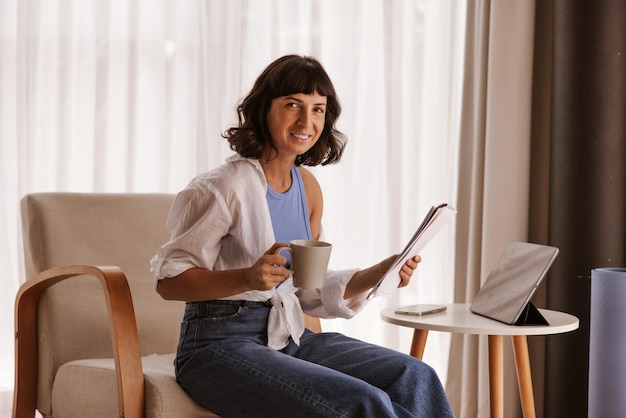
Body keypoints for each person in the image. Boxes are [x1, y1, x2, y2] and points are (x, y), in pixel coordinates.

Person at [151, 54, 454, 418]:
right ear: (264, 109)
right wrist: (246, 278)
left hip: (289, 338)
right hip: (216, 346)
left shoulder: (307, 188)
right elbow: (169, 283)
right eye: (293, 104)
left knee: (415, 375)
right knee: (361, 402)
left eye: (318, 109)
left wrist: (379, 273)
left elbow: (306, 291)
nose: (305, 121)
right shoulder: (222, 187)